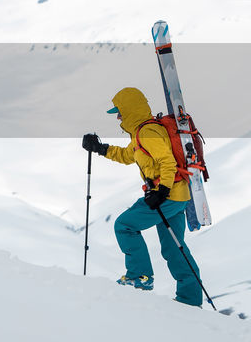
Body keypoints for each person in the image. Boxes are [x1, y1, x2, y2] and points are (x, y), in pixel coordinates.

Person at [82, 86, 204, 307]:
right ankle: (190, 299)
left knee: (124, 225)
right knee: (173, 246)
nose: (118, 117)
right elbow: (128, 156)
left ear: (130, 110)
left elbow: (167, 162)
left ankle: (139, 276)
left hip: (167, 196)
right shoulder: (143, 132)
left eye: (119, 111)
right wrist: (100, 148)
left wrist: (162, 192)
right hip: (178, 195)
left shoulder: (147, 133)